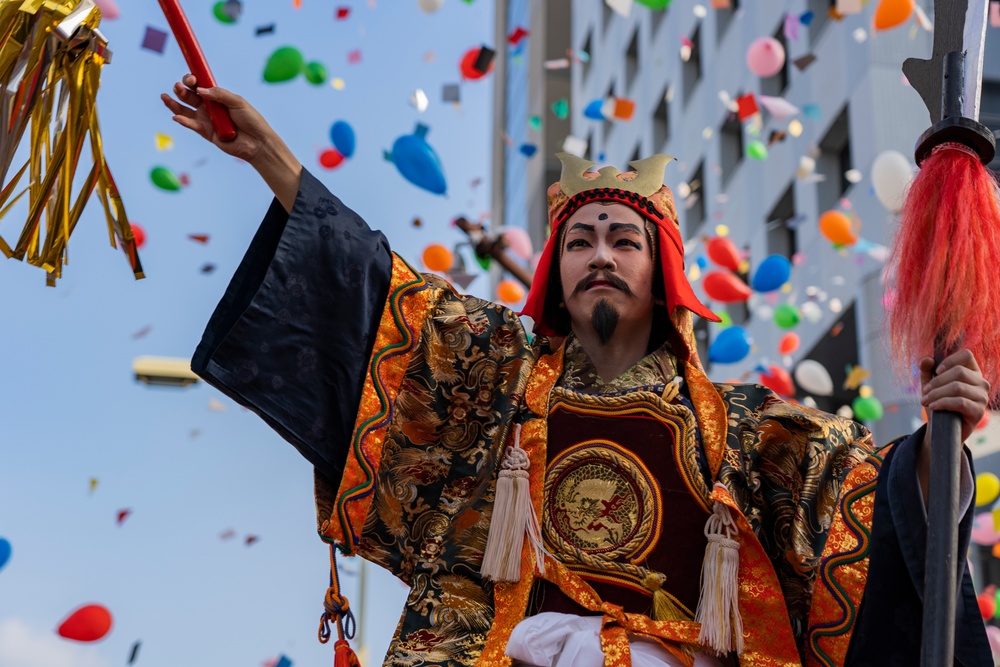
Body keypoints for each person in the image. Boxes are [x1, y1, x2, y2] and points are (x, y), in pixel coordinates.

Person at [163, 75, 994, 666]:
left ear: (661, 268)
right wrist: (269, 156)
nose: (600, 254)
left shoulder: (748, 430)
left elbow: (866, 512)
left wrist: (936, 448)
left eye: (623, 239)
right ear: (553, 271)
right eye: (580, 239)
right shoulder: (488, 372)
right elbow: (376, 291)